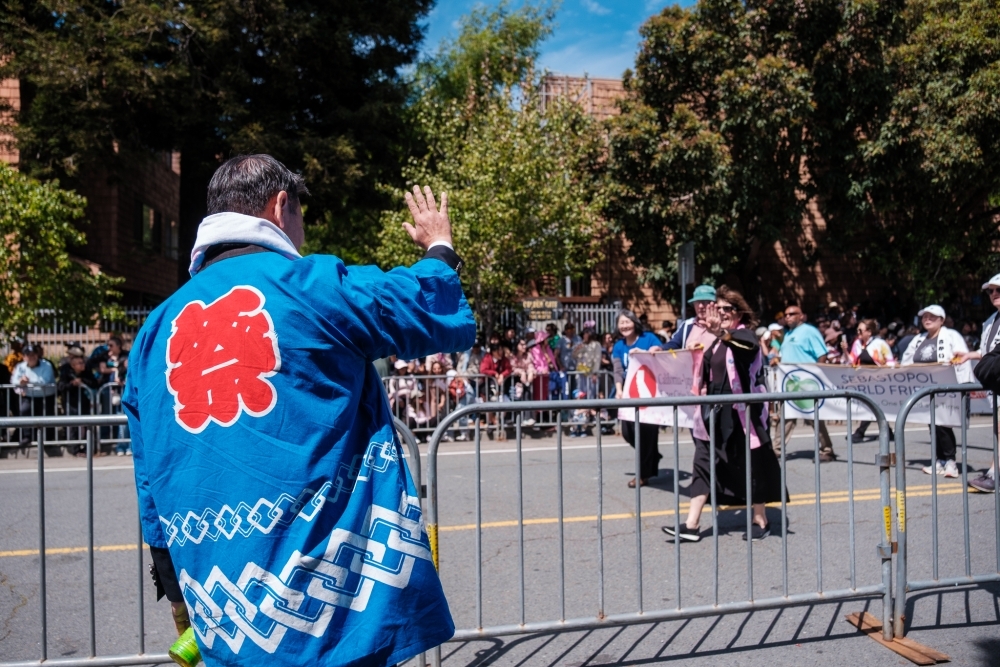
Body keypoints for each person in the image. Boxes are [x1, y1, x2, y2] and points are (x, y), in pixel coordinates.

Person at [122, 155, 473, 666]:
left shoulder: (152, 332)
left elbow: (150, 483)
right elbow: (424, 307)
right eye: (301, 217)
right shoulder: (311, 286)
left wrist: (178, 595)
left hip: (225, 608)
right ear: (280, 205)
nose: (302, 234)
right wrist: (440, 246)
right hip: (328, 612)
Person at [662, 286, 783, 542]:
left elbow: (745, 349)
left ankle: (760, 518)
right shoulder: (715, 342)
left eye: (727, 308)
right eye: (718, 308)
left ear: (739, 313)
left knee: (751, 464)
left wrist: (720, 333)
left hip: (742, 413)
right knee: (702, 462)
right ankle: (692, 524)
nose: (722, 313)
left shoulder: (744, 335)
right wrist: (658, 356)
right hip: (713, 413)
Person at [900, 305, 970, 479]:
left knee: (943, 425)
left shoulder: (952, 336)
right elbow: (906, 361)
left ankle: (951, 461)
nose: (927, 319)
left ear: (941, 320)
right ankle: (939, 460)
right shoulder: (918, 339)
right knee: (932, 424)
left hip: (947, 389)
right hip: (926, 391)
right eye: (925, 317)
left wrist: (963, 384)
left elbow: (962, 359)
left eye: (932, 317)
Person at [778, 303, 836, 461]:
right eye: (786, 315)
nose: (787, 317)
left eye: (792, 314)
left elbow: (822, 354)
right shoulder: (788, 334)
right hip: (790, 383)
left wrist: (817, 374)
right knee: (786, 416)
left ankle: (827, 449)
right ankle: (776, 449)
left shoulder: (809, 331)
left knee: (813, 417)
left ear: (801, 316)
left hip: (806, 382)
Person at [612, 309, 663, 487]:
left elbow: (661, 352)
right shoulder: (618, 346)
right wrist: (619, 390)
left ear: (635, 323)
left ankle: (643, 474)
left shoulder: (648, 338)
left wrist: (649, 351)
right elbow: (618, 370)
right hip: (629, 394)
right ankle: (652, 455)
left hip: (648, 392)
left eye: (628, 321)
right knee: (628, 433)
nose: (625, 326)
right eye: (621, 323)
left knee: (646, 434)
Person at [959, 274, 1000, 492]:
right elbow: (988, 353)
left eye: (998, 290)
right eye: (990, 291)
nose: (994, 294)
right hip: (994, 383)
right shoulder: (990, 320)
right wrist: (970, 354)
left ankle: (994, 474)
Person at [847, 319, 895, 443]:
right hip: (863, 381)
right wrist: (844, 350)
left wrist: (881, 374)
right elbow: (851, 361)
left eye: (860, 330)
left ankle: (860, 432)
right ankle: (888, 431)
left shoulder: (880, 344)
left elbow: (890, 362)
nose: (858, 333)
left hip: (878, 381)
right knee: (873, 406)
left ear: (869, 332)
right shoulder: (857, 344)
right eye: (857, 330)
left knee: (871, 406)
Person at [12, 343, 59, 456]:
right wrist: (20, 382)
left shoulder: (46, 365)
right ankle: (27, 436)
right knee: (24, 411)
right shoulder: (20, 367)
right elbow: (14, 381)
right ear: (24, 357)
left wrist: (28, 382)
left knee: (47, 417)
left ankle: (48, 439)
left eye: (33, 354)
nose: (31, 357)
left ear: (37, 355)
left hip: (46, 396)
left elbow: (45, 381)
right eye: (28, 355)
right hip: (29, 395)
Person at [57, 347, 100, 456]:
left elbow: (94, 383)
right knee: (73, 426)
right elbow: (61, 386)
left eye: (82, 362)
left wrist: (82, 381)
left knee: (88, 425)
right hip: (71, 403)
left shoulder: (86, 372)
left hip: (85, 402)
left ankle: (89, 448)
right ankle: (75, 449)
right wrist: (72, 384)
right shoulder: (66, 371)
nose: (82, 365)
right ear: (73, 365)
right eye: (79, 363)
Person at [665, 285, 717, 350]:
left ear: (715, 304)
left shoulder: (722, 326)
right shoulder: (687, 325)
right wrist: (660, 348)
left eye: (705, 302)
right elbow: (674, 343)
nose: (701, 306)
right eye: (697, 302)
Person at [572, 327, 603, 399]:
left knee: (590, 393)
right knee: (580, 393)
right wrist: (578, 349)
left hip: (590, 373)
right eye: (583, 334)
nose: (584, 336)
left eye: (586, 334)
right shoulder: (581, 344)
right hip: (580, 373)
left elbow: (597, 359)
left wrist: (595, 373)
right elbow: (574, 356)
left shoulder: (596, 344)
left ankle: (590, 405)